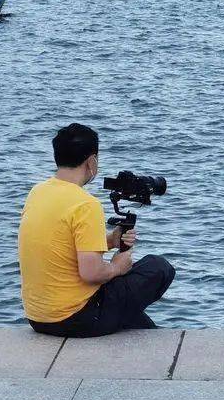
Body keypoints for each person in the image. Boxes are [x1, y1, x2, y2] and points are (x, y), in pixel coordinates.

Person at [18, 123, 175, 337]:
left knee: (134, 317)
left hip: (39, 318)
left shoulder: (37, 192)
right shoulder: (85, 204)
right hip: (76, 318)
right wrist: (116, 268)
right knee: (158, 267)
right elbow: (91, 273)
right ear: (91, 161)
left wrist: (111, 240)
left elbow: (61, 244)